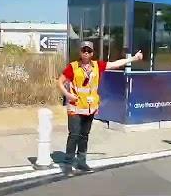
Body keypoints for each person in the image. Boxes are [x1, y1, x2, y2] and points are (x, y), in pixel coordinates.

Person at [57, 41, 142, 175]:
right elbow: (60, 82)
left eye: (89, 51)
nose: (86, 53)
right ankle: (68, 164)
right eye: (84, 50)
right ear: (80, 52)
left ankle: (81, 161)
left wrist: (133, 58)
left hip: (90, 108)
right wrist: (67, 94)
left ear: (92, 53)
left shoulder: (97, 65)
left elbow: (115, 64)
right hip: (75, 107)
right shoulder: (72, 67)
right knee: (74, 135)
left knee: (84, 135)